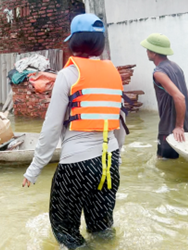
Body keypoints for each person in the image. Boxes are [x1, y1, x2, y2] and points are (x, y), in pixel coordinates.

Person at [22, 14, 124, 249]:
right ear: (100, 43)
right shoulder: (113, 73)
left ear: (73, 42)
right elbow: (121, 121)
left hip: (78, 163)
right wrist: (116, 157)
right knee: (102, 228)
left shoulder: (68, 75)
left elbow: (51, 126)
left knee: (65, 230)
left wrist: (35, 168)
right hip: (110, 159)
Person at [140, 33, 188, 159]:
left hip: (171, 130)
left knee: (164, 165)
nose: (146, 52)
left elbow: (180, 97)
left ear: (154, 53)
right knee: (185, 162)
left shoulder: (159, 73)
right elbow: (187, 95)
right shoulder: (176, 67)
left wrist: (178, 127)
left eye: (147, 49)